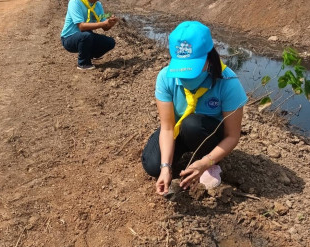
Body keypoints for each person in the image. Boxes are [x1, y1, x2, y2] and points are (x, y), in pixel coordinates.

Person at [141, 21, 248, 196]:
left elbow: (232, 136)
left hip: (208, 134)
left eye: (192, 70)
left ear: (208, 58)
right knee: (153, 166)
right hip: (178, 129)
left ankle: (209, 163)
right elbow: (167, 127)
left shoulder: (228, 83)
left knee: (192, 124)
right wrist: (165, 168)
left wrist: (206, 162)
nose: (185, 77)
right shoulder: (165, 78)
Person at [60, 0, 118, 70]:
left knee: (110, 42)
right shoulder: (75, 2)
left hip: (86, 36)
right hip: (69, 38)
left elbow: (105, 28)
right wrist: (104, 23)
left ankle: (88, 55)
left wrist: (110, 24)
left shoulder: (98, 5)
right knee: (86, 36)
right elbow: (81, 27)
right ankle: (83, 63)